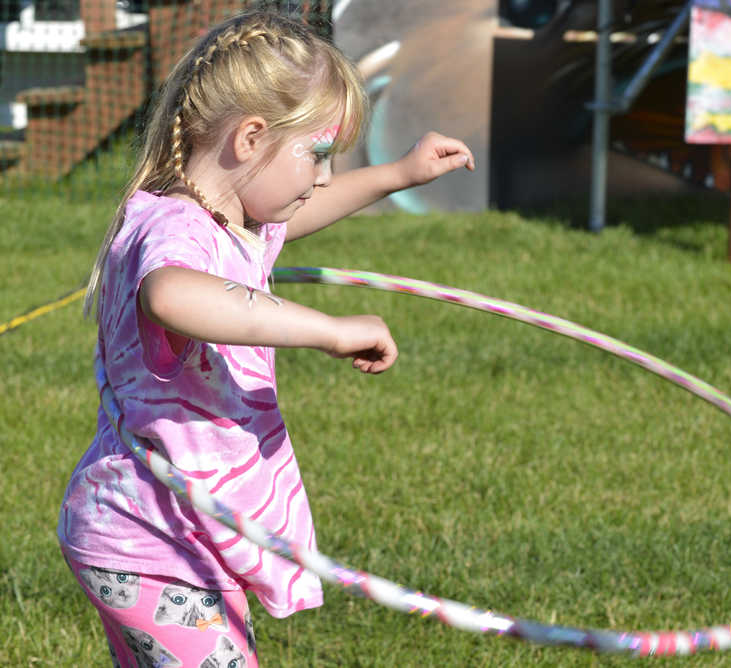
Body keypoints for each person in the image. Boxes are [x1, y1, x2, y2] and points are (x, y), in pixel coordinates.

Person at [57, 9, 475, 667]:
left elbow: (301, 212)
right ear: (251, 137)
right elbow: (173, 295)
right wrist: (327, 330)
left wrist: (399, 175)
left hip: (181, 531)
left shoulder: (232, 220)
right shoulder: (177, 232)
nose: (322, 176)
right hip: (150, 540)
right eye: (316, 154)